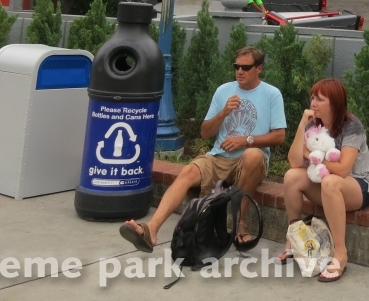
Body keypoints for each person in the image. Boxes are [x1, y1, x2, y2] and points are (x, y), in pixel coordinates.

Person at [119, 47, 285, 252]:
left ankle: (240, 222)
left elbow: (280, 136)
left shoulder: (272, 94)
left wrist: (245, 140)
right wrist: (223, 112)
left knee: (252, 154)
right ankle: (151, 230)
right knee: (188, 171)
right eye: (236, 66)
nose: (239, 71)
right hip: (219, 157)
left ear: (259, 68)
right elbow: (205, 132)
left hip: (250, 160)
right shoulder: (224, 90)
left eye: (246, 67)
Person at [276, 78, 369, 282]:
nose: (313, 103)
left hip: (360, 185)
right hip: (328, 184)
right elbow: (294, 161)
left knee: (330, 181)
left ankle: (340, 254)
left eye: (320, 99)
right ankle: (294, 239)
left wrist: (312, 155)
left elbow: (342, 170)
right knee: (291, 177)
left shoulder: (352, 126)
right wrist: (301, 125)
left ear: (335, 103)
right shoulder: (314, 125)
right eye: (312, 97)